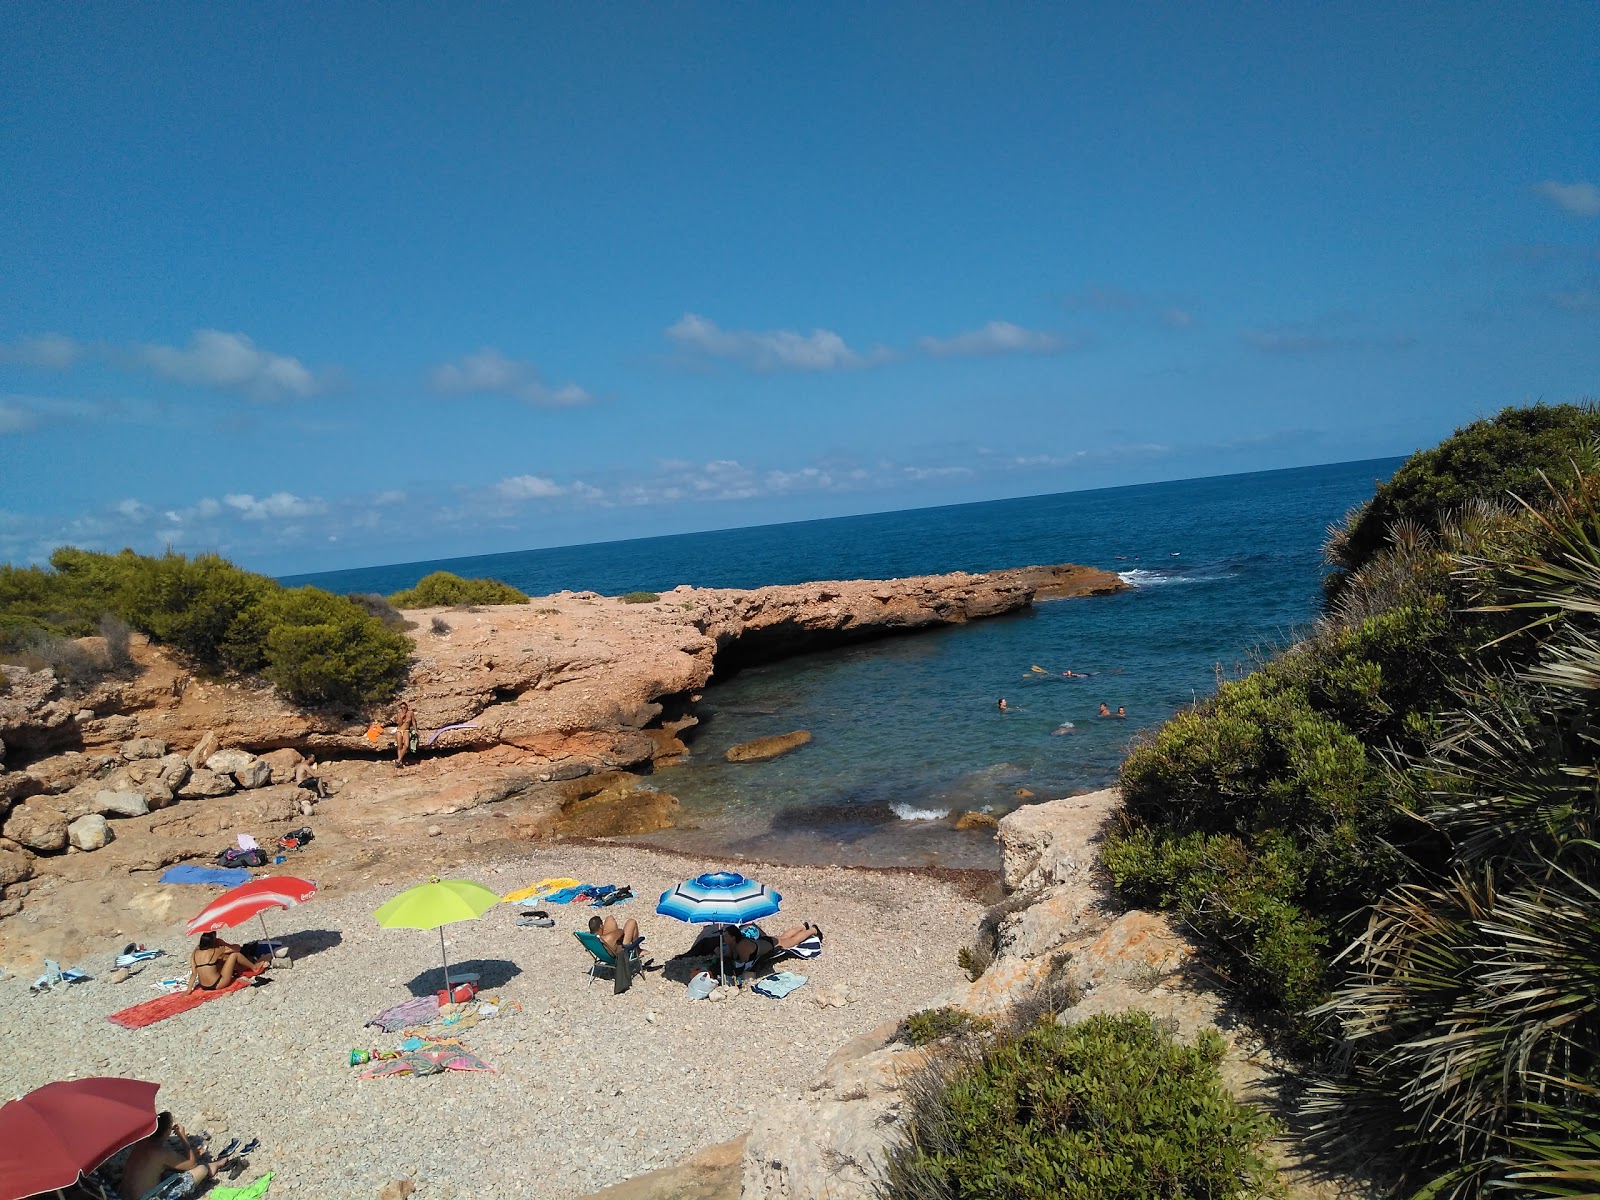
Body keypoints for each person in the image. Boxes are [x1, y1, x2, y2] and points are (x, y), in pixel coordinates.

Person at [119, 1111, 236, 1200]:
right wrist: (183, 1138)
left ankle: (211, 1166)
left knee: (168, 1170)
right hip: (146, 1198)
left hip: (123, 1195)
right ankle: (212, 1167)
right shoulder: (160, 1152)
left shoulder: (141, 1142)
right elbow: (192, 1164)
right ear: (166, 1132)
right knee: (201, 1169)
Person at [187, 932, 269, 992]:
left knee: (221, 961)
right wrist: (222, 942)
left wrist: (188, 990)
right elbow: (237, 948)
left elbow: (194, 973)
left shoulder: (195, 953)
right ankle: (254, 968)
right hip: (218, 983)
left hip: (204, 986)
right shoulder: (215, 951)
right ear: (213, 941)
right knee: (234, 955)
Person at [394, 702, 417, 768]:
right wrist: (402, 716)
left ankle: (398, 760)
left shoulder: (410, 713)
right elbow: (399, 724)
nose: (403, 709)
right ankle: (400, 762)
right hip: (399, 730)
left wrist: (415, 730)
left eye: (404, 707)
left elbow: (413, 722)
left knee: (406, 745)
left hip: (406, 730)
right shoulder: (399, 714)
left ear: (407, 707)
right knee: (399, 746)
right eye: (401, 708)